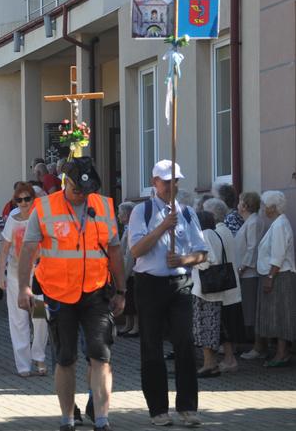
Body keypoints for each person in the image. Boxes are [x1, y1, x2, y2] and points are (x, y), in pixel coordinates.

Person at [17, 157, 125, 431]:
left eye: (86, 191)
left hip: (96, 291)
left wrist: (122, 290)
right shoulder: (44, 208)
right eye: (77, 189)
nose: (82, 195)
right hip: (57, 294)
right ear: (66, 183)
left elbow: (114, 250)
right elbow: (28, 250)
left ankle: (101, 419)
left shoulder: (102, 205)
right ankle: (67, 418)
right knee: (65, 357)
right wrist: (24, 288)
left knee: (101, 354)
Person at [128, 160, 207, 427]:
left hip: (179, 284)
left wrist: (183, 260)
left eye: (175, 181)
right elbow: (136, 250)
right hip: (150, 284)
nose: (171, 186)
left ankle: (187, 407)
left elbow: (202, 253)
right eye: (165, 181)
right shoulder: (142, 211)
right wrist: (162, 227)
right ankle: (158, 409)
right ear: (155, 183)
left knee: (184, 341)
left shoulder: (186, 213)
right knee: (151, 345)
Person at [0, 182, 49, 377]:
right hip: (15, 273)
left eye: (27, 198)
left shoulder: (41, 217)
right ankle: (23, 364)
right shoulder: (13, 218)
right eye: (19, 200)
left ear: (33, 199)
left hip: (38, 274)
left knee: (39, 316)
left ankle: (39, 357)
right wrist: (1, 275)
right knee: (18, 318)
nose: (23, 203)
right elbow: (5, 248)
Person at [191, 200, 244, 377]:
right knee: (222, 326)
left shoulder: (207, 234)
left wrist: (188, 261)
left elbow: (207, 260)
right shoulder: (224, 231)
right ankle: (226, 360)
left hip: (210, 287)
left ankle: (210, 363)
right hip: (226, 284)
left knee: (208, 326)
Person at [255, 190, 296, 368]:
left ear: (273, 207)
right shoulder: (278, 224)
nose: (263, 209)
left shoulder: (280, 225)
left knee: (280, 315)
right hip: (276, 274)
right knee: (277, 314)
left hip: (278, 275)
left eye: (265, 206)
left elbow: (278, 255)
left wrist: (270, 276)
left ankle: (281, 354)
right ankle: (282, 352)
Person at [235, 192, 268, 359]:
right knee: (249, 310)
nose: (238, 204)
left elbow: (252, 247)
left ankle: (258, 347)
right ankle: (257, 345)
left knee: (252, 310)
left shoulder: (253, 222)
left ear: (246, 205)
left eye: (240, 201)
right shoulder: (249, 221)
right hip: (247, 272)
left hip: (250, 273)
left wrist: (242, 267)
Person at [117, 201, 139, 337]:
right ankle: (128, 324)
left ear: (128, 214)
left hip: (131, 271)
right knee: (128, 299)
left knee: (132, 300)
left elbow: (130, 254)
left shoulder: (132, 229)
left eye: (120, 214)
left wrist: (124, 274)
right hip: (127, 270)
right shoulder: (127, 228)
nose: (118, 216)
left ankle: (135, 326)